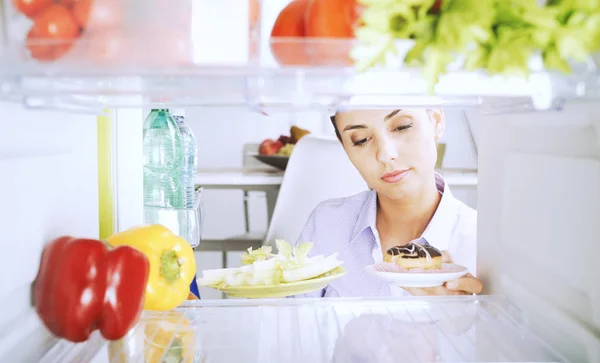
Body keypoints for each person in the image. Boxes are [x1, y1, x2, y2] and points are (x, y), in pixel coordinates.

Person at [295, 108, 482, 297]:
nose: (385, 154)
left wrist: (463, 317)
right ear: (345, 147)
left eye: (402, 127)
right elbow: (290, 321)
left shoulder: (482, 244)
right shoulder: (326, 224)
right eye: (361, 140)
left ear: (436, 121)